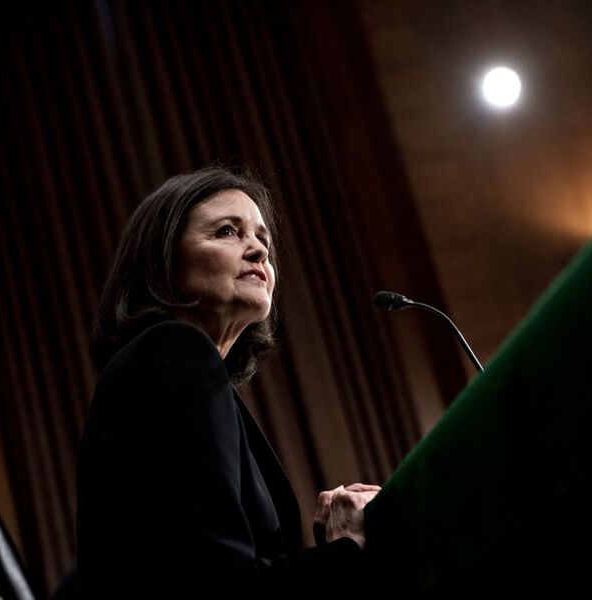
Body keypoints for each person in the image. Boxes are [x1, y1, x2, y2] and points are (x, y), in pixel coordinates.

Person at [77, 165, 381, 598]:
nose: (258, 251)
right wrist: (349, 547)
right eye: (226, 231)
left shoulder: (172, 367)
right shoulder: (173, 352)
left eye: (264, 241)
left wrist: (329, 544)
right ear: (164, 259)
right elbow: (219, 587)